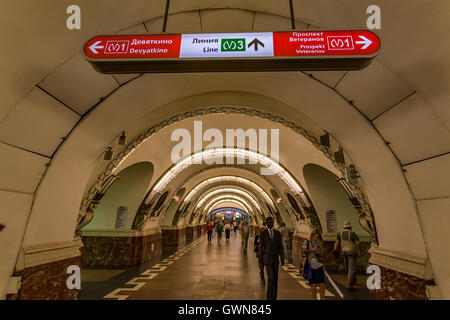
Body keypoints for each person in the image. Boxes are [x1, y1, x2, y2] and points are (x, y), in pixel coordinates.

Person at [258, 217, 284, 300]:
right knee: (271, 278)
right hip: (267, 258)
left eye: (272, 222)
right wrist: (260, 260)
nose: (270, 224)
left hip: (275, 259)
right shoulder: (264, 233)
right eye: (269, 222)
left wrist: (282, 258)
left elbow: (280, 246)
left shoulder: (277, 233)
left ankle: (274, 297)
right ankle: (269, 297)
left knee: (275, 279)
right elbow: (261, 246)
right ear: (266, 223)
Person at [333, 221, 360, 290]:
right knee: (352, 268)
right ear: (350, 226)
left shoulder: (340, 233)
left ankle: (353, 280)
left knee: (348, 266)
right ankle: (349, 285)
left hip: (344, 252)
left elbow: (336, 243)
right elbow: (357, 243)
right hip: (352, 252)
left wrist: (335, 250)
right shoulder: (352, 233)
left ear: (344, 226)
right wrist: (359, 251)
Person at [303, 229, 326, 300]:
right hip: (311, 265)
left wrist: (321, 250)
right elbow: (303, 251)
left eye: (317, 236)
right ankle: (314, 299)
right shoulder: (306, 242)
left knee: (322, 283)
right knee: (313, 284)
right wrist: (312, 250)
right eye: (315, 236)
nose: (316, 237)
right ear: (312, 235)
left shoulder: (319, 243)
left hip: (319, 264)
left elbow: (321, 255)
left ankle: (321, 298)